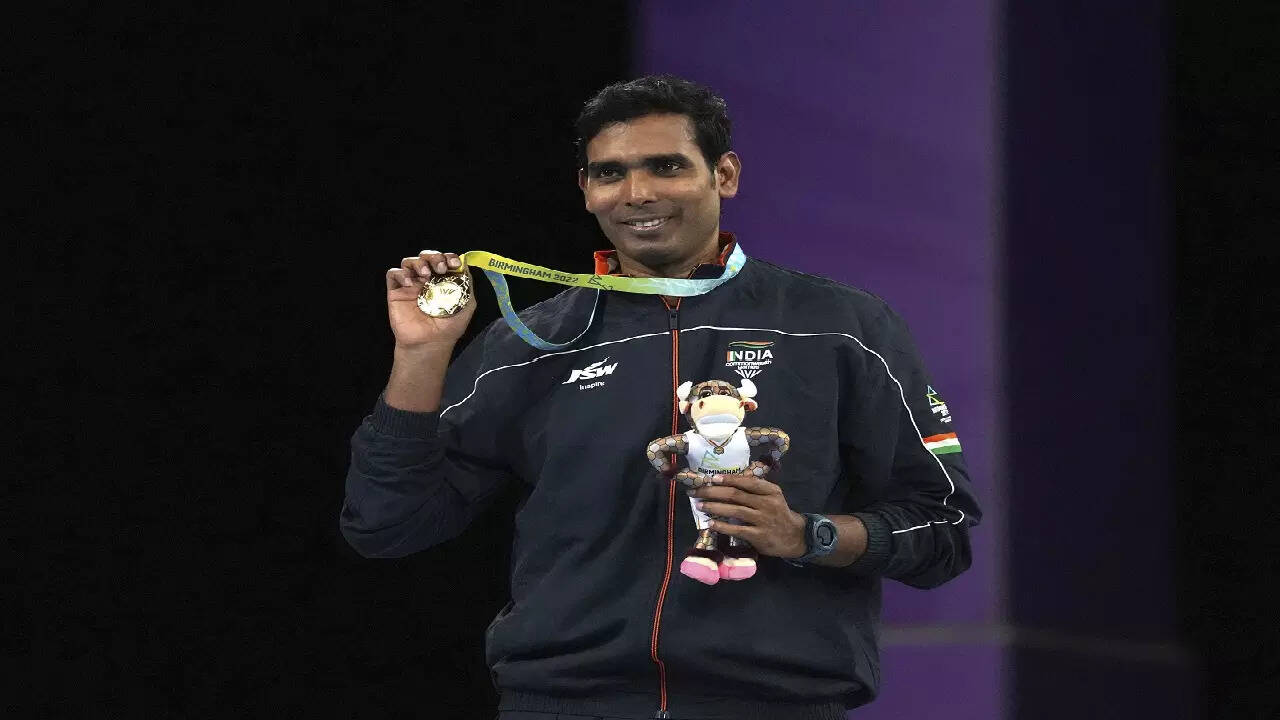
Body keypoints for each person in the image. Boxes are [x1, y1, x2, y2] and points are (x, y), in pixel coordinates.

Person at [341, 75, 982, 720]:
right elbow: (387, 523)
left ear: (724, 174)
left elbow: (943, 527)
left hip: (772, 704)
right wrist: (421, 356)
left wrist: (804, 534)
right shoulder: (531, 340)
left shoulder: (841, 326)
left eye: (667, 166)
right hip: (565, 704)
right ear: (586, 190)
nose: (637, 193)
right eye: (610, 173)